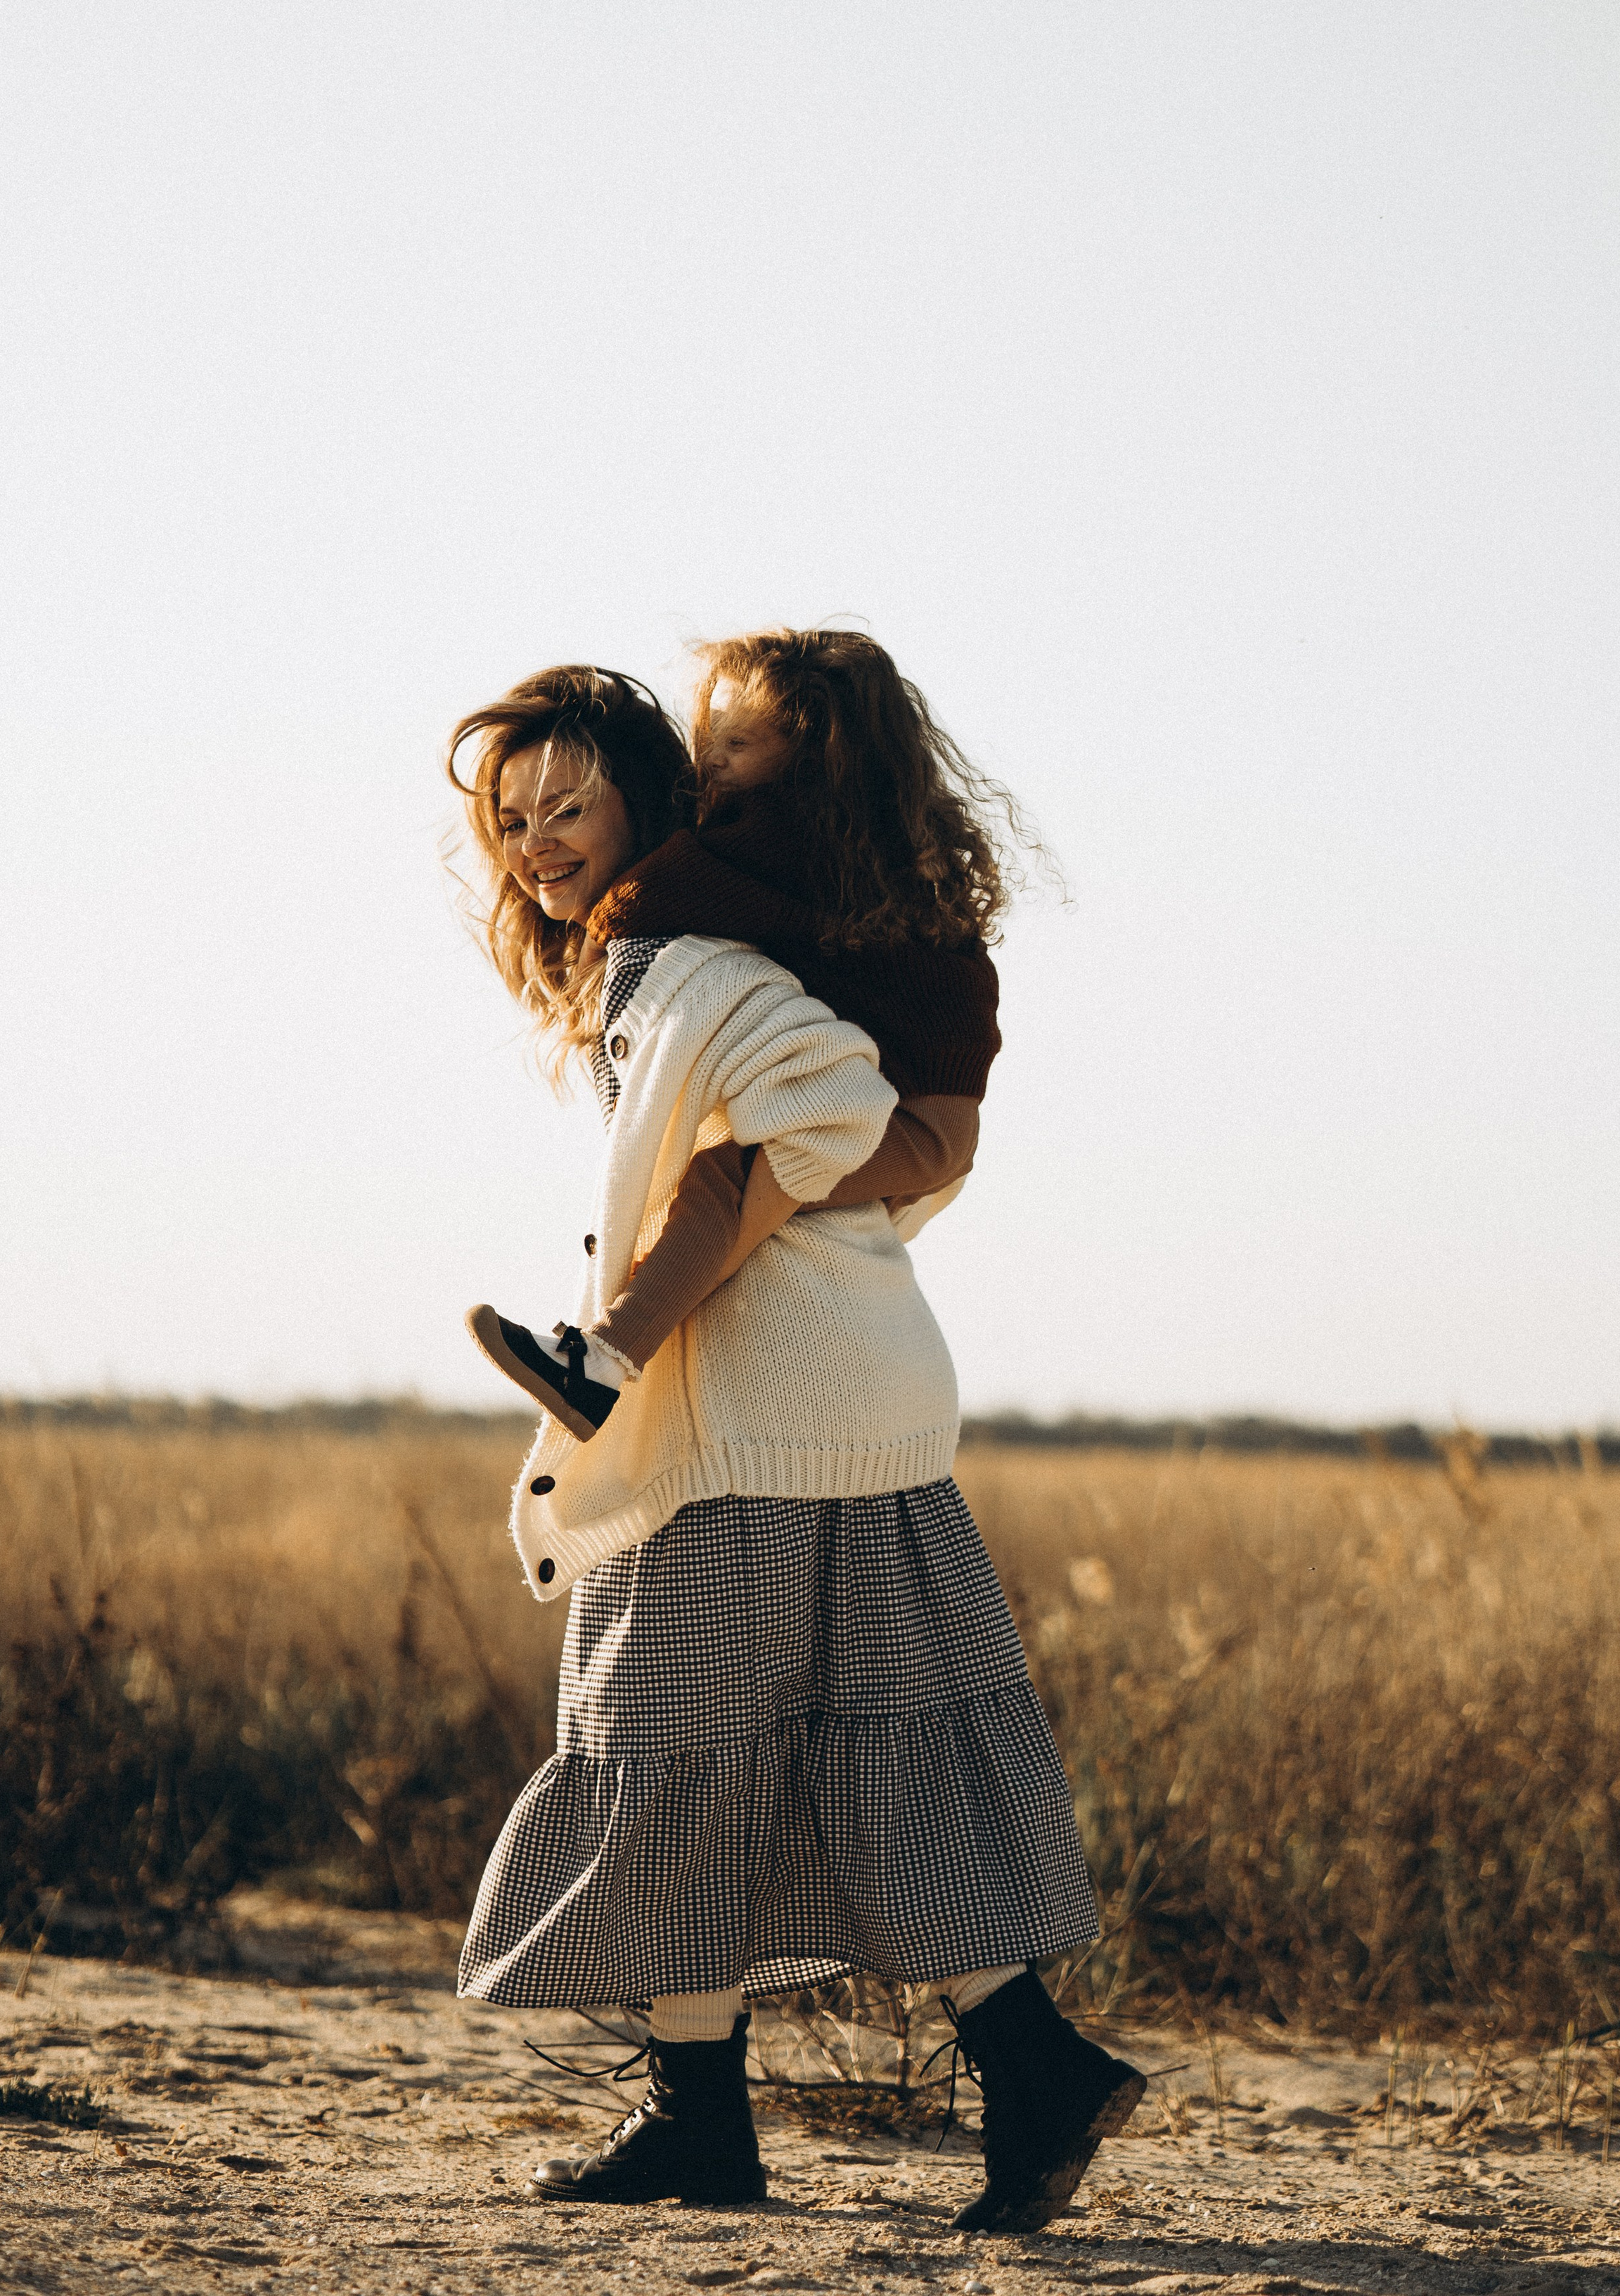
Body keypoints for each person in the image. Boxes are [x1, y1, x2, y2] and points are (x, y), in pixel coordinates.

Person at [446, 661, 1143, 2232]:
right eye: (511, 820)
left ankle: (706, 2120)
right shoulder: (728, 939)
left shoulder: (680, 953)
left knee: (665, 1753)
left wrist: (637, 1321)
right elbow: (883, 1135)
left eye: (570, 806)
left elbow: (837, 1101)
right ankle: (1022, 2066)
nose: (539, 842)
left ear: (652, 804)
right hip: (854, 1401)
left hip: (756, 1417)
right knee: (854, 1756)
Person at [464, 629, 1003, 1437]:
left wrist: (617, 917)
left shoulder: (772, 860)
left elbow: (680, 888)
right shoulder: (856, 853)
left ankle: (604, 1360)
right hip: (929, 1125)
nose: (706, 762)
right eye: (707, 739)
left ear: (808, 753)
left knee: (728, 1177)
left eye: (735, 743)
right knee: (751, 1179)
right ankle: (605, 1357)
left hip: (911, 1130)